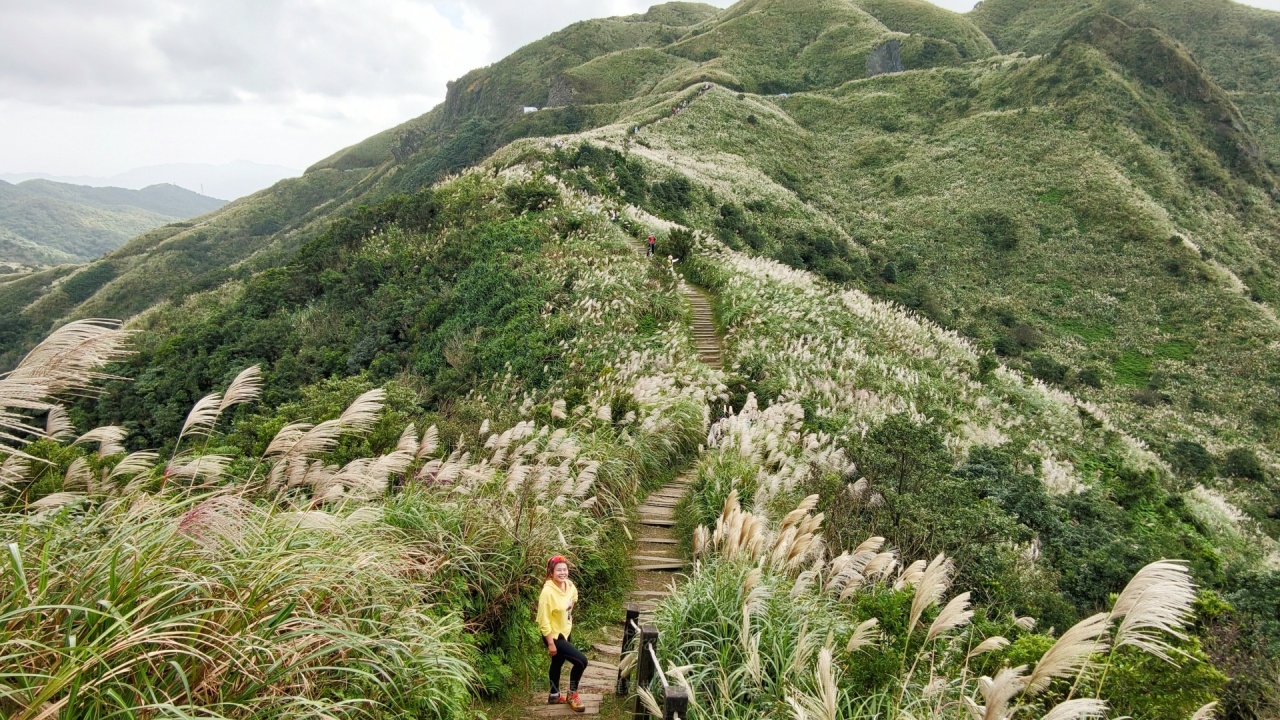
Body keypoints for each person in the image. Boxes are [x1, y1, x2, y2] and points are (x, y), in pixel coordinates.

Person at [537, 555, 588, 712]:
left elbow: (574, 596)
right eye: (558, 570)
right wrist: (551, 643)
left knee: (557, 663)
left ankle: (554, 695)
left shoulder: (568, 585)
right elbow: (543, 620)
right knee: (581, 661)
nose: (562, 573)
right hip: (553, 636)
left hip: (565, 631)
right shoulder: (547, 592)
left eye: (565, 569)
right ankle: (572, 694)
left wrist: (571, 605)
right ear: (551, 572)